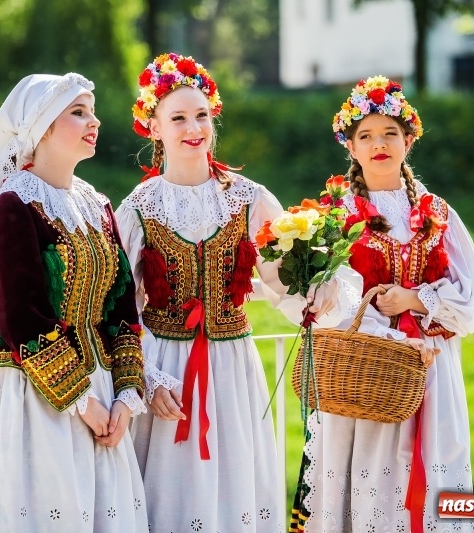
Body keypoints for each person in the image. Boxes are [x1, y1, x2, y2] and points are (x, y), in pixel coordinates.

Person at [115, 52, 361, 533]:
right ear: (154, 128)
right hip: (166, 370)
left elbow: (281, 278)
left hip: (231, 367)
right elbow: (122, 306)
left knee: (232, 490)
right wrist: (147, 376)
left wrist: (320, 287)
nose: (194, 128)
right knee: (169, 492)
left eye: (202, 115)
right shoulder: (138, 207)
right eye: (178, 118)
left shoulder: (248, 198)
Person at [0, 72, 149, 533]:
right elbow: (21, 316)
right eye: (78, 112)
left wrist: (126, 395)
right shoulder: (12, 204)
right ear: (41, 128)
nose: (95, 121)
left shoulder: (96, 204)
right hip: (32, 395)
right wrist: (83, 402)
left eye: (93, 111)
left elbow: (122, 308)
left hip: (102, 391)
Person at [288, 75, 474, 533]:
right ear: (351, 147)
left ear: (408, 141)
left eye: (389, 133)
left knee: (434, 464)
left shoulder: (437, 211)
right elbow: (332, 301)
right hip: (367, 370)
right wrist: (389, 335)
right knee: (369, 476)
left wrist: (415, 299)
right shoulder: (337, 215)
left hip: (431, 368)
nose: (379, 144)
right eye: (366, 136)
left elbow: (472, 297)